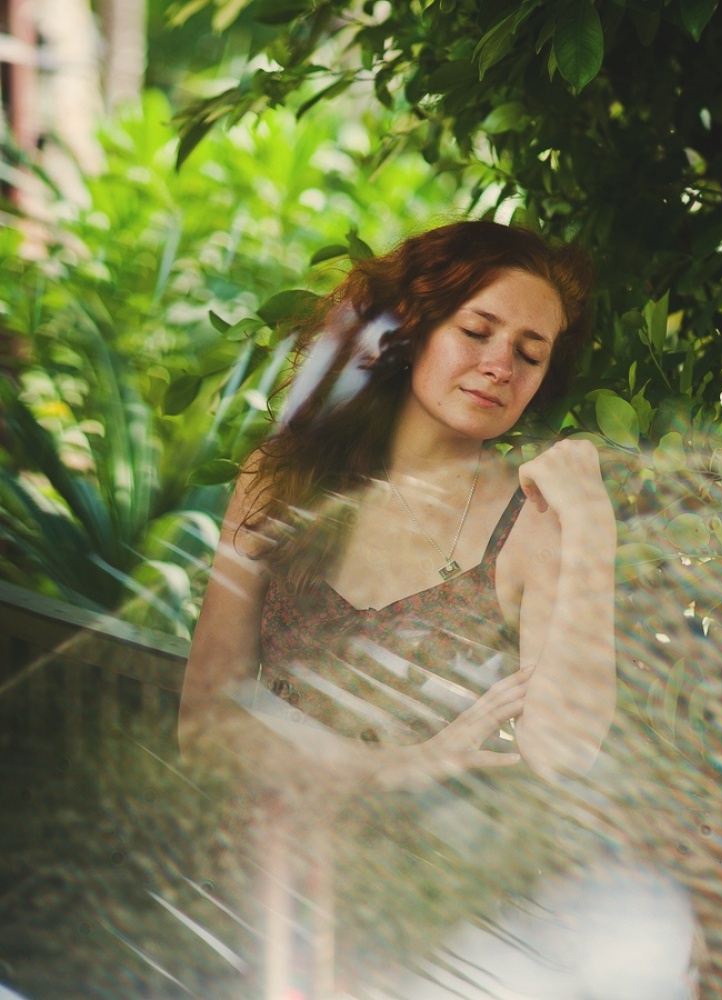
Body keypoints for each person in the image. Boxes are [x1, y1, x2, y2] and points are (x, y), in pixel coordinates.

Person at [178, 220, 653, 994]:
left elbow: (563, 751)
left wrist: (593, 529)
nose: (500, 365)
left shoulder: (534, 523)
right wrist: (395, 767)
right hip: (251, 903)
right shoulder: (282, 480)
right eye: (477, 330)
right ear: (414, 327)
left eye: (530, 353)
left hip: (422, 935)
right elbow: (204, 724)